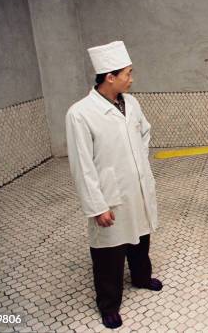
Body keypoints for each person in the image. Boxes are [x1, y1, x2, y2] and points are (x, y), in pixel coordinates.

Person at [65, 41, 161, 329]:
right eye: (128, 74)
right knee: (109, 251)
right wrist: (97, 206)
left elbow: (144, 131)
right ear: (110, 77)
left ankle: (142, 278)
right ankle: (108, 304)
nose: (132, 79)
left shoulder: (131, 103)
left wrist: (139, 161)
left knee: (140, 236)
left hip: (137, 185)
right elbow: (82, 166)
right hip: (109, 193)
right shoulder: (80, 114)